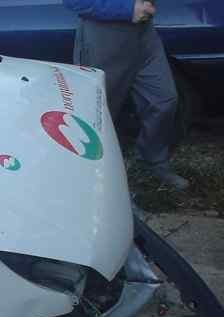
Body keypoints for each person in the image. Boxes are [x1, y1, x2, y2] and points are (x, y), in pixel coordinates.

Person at [63, 0, 189, 190]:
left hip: (144, 34)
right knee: (99, 116)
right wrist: (128, 9)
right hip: (104, 38)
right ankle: (102, 187)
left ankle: (152, 163)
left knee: (164, 100)